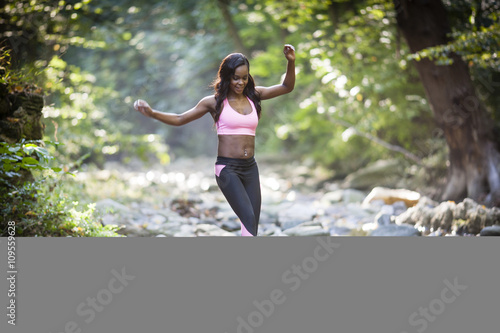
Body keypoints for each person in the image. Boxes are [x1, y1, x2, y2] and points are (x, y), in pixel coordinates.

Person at [134, 44, 295, 236]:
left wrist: (291, 62)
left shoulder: (254, 96)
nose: (240, 82)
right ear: (227, 76)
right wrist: (152, 113)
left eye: (244, 78)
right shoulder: (214, 102)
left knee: (251, 226)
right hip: (228, 169)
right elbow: (179, 119)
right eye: (236, 78)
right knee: (248, 218)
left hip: (250, 167)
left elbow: (287, 87)